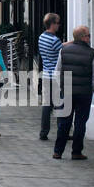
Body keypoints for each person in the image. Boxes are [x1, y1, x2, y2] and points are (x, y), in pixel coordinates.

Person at [53, 25, 94, 160]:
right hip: (84, 93)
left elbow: (58, 71)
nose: (90, 38)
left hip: (67, 90)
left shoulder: (64, 50)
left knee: (64, 122)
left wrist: (62, 86)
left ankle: (58, 151)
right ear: (83, 37)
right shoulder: (92, 53)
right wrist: (90, 89)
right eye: (88, 35)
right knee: (80, 122)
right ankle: (76, 151)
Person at [37, 12, 64, 140]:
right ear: (52, 24)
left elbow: (58, 47)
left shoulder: (41, 37)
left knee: (47, 104)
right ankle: (61, 130)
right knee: (60, 105)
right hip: (56, 76)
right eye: (58, 23)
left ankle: (43, 132)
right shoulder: (55, 40)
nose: (59, 25)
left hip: (46, 75)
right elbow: (62, 53)